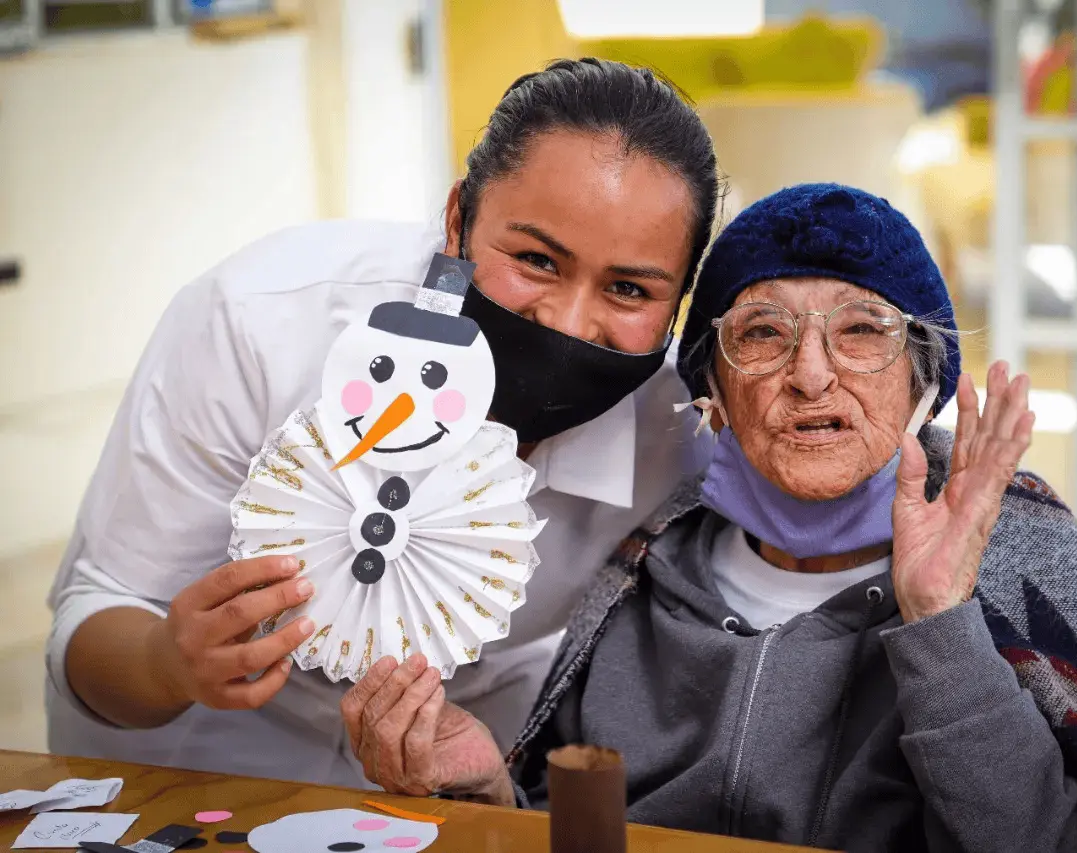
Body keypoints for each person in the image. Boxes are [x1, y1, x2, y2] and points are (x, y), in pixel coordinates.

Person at [342, 185, 1077, 853]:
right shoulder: (643, 572)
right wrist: (491, 792)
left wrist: (941, 619)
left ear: (922, 378)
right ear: (711, 387)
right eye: (762, 333)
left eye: (862, 330)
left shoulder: (1022, 558)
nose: (812, 374)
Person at [45, 57, 720, 786]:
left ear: (680, 297)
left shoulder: (677, 430)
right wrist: (168, 661)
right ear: (457, 219)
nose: (566, 319)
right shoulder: (259, 320)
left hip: (446, 771)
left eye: (628, 288)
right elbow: (98, 617)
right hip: (195, 760)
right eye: (534, 259)